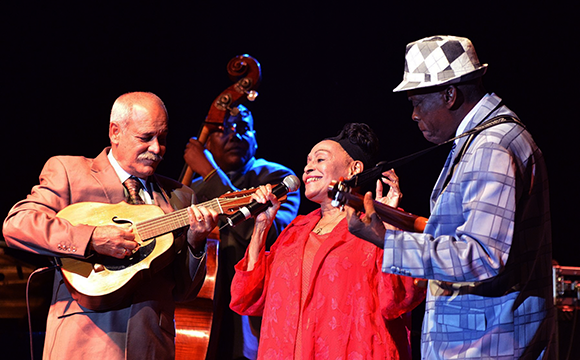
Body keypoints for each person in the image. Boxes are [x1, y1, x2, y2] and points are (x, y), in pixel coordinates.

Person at [347, 35, 555, 359]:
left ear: (449, 94)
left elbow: (483, 255)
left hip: (488, 347)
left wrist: (387, 241)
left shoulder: (491, 146)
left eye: (417, 102)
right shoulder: (483, 139)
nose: (414, 115)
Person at [2, 92, 219, 360]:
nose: (157, 149)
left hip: (151, 347)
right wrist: (92, 237)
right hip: (83, 342)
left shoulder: (181, 197)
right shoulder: (70, 172)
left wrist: (196, 244)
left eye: (162, 138)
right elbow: (18, 223)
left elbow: (185, 294)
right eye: (145, 137)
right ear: (115, 132)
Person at [229, 123, 426, 359]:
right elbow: (247, 299)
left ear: (354, 168)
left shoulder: (375, 228)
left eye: (320, 160)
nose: (308, 167)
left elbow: (398, 300)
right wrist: (261, 226)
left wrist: (390, 231)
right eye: (308, 161)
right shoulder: (294, 232)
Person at [183, 104, 300, 360]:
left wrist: (212, 174)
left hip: (250, 317)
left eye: (243, 128)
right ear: (208, 143)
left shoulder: (276, 177)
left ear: (255, 138)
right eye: (223, 129)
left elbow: (270, 234)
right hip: (200, 313)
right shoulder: (193, 189)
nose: (234, 134)